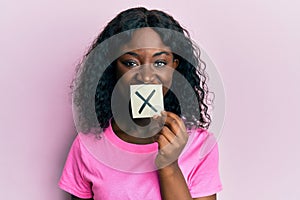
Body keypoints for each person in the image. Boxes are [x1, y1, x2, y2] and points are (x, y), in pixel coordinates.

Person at [59, 7, 222, 200]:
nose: (146, 76)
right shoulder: (87, 147)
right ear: (113, 68)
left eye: (160, 63)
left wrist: (169, 166)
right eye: (131, 63)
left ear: (174, 67)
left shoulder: (200, 145)